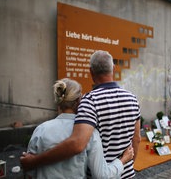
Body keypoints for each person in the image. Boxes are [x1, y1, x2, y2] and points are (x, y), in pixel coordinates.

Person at [21, 50, 141, 178]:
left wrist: (33, 161)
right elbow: (137, 139)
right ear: (114, 68)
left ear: (91, 72)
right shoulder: (133, 98)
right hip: (125, 172)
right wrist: (127, 164)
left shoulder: (90, 101)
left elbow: (77, 144)